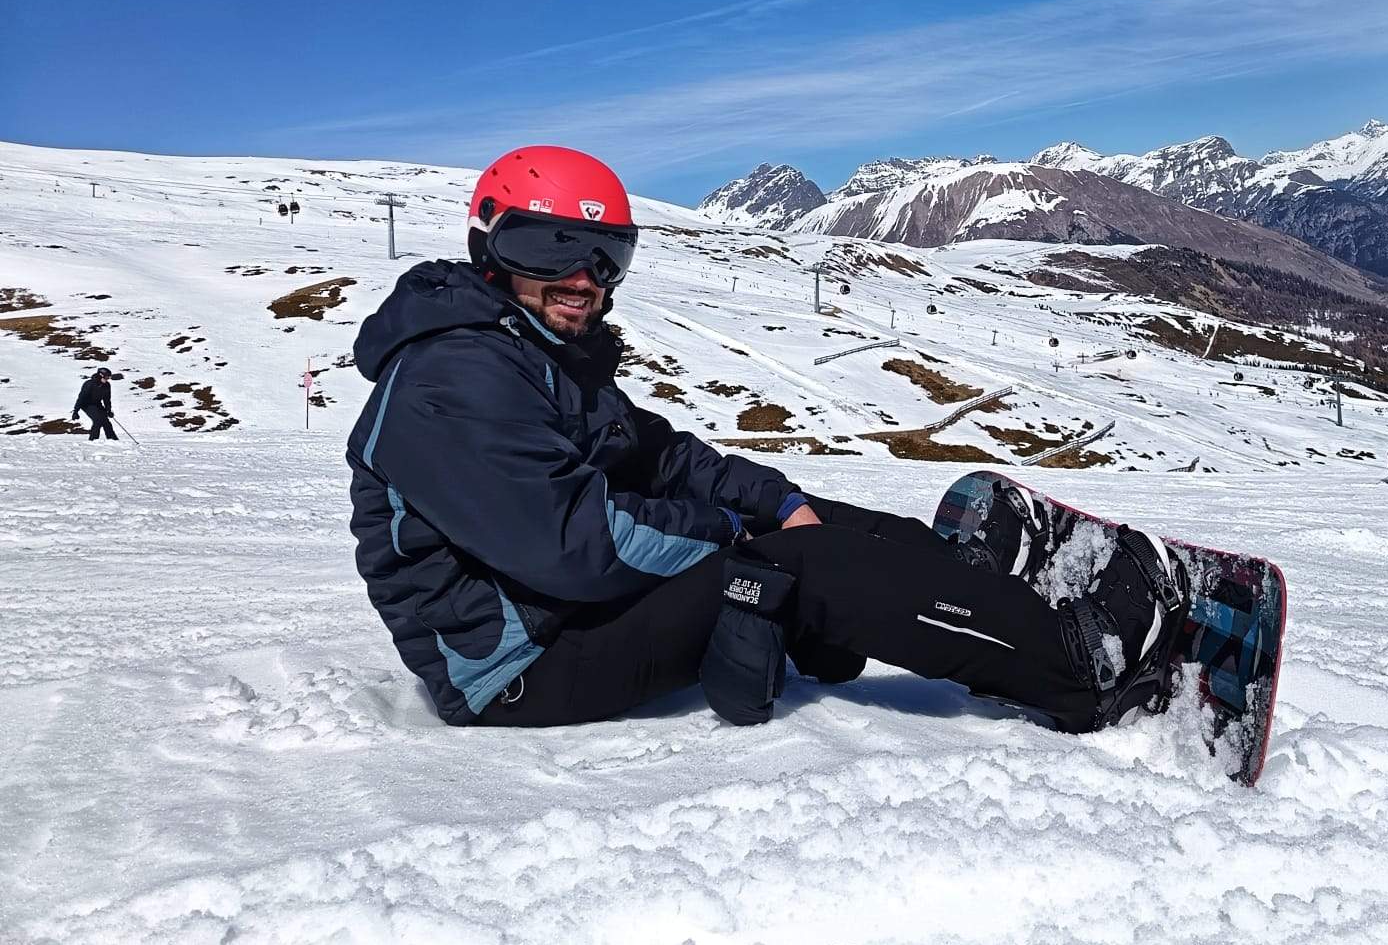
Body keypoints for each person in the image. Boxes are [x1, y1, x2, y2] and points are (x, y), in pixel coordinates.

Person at [345, 145, 1184, 735]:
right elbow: (574, 548)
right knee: (801, 563)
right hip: (520, 668)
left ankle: (984, 598)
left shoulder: (538, 358)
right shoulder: (450, 380)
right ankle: (1078, 672)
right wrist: (752, 535)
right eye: (547, 247)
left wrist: (782, 502)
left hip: (570, 617)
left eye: (605, 257)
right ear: (488, 245)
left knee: (822, 525)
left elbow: (668, 459)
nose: (581, 279)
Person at [72, 367, 116, 440]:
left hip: (97, 404)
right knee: (97, 420)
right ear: (101, 375)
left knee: (106, 421)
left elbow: (107, 399)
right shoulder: (89, 384)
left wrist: (108, 410)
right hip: (86, 404)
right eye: (107, 377)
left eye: (109, 377)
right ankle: (93, 440)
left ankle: (113, 439)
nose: (108, 379)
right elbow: (81, 397)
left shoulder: (107, 385)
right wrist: (76, 411)